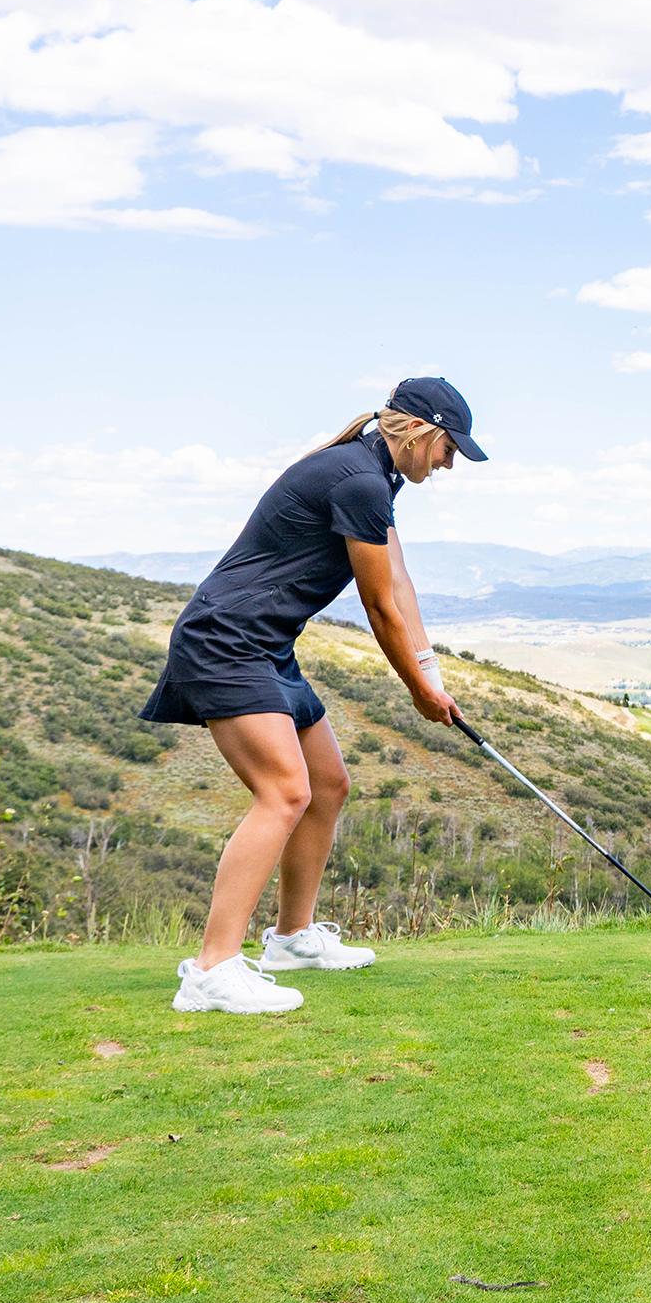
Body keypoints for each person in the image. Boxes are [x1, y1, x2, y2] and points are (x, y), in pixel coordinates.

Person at [140, 377, 487, 1014]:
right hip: (226, 641)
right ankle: (213, 970)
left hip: (266, 645)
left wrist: (432, 673)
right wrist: (415, 692)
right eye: (448, 448)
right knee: (285, 791)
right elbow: (379, 608)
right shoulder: (354, 477)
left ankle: (292, 939)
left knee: (326, 785)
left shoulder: (375, 478)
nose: (449, 463)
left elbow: (401, 583)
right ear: (418, 430)